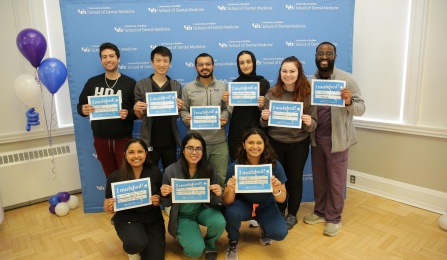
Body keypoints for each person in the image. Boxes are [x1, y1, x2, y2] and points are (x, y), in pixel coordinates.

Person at [303, 41, 365, 237]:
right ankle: (320, 211)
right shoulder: (310, 82)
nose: (324, 57)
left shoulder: (347, 80)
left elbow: (361, 109)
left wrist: (348, 102)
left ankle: (334, 218)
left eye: (328, 54)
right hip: (317, 140)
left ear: (335, 57)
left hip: (338, 141)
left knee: (336, 182)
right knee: (320, 180)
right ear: (315, 56)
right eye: (320, 53)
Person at [260, 56, 317, 230]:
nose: (288, 74)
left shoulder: (307, 93)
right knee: (277, 180)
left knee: (294, 180)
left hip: (298, 144)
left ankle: (292, 214)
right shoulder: (272, 93)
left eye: (292, 71)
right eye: (284, 71)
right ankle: (279, 210)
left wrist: (309, 122)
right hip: (275, 143)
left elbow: (314, 123)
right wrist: (263, 117)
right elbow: (263, 124)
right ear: (280, 73)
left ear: (298, 73)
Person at [223, 128, 288, 260]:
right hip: (243, 206)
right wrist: (230, 189)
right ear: (243, 145)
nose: (255, 146)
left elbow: (282, 199)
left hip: (266, 206)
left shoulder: (274, 165)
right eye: (250, 142)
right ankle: (233, 242)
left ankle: (265, 227)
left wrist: (276, 189)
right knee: (232, 212)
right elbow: (227, 202)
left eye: (259, 143)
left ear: (264, 145)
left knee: (280, 233)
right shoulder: (235, 167)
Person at [160, 132, 226, 260]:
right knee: (195, 251)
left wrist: (218, 194)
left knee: (219, 222)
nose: (194, 152)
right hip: (183, 216)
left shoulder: (209, 169)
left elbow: (213, 201)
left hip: (203, 210)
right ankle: (188, 235)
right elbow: (166, 203)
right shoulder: (171, 171)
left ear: (203, 151)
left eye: (198, 149)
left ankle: (209, 244)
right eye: (190, 148)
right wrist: (164, 195)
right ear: (183, 150)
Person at [77, 42, 136, 176]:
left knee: (127, 176)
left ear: (118, 58)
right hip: (101, 140)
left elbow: (138, 112)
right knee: (110, 177)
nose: (108, 60)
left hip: (123, 140)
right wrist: (83, 110)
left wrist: (128, 113)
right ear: (101, 60)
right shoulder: (92, 83)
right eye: (104, 57)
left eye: (111, 56)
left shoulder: (130, 83)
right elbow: (80, 106)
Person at [104, 138, 165, 260]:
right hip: (127, 218)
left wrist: (159, 199)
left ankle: (144, 240)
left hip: (152, 218)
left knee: (155, 257)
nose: (136, 156)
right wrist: (108, 208)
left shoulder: (154, 172)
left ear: (146, 154)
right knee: (136, 244)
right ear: (125, 155)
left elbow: (162, 195)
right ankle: (132, 249)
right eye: (131, 152)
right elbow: (108, 206)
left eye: (140, 152)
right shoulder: (115, 177)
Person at [180, 53, 230, 188]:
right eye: (200, 65)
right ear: (196, 67)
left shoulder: (222, 86)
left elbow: (227, 108)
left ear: (213, 66)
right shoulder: (188, 88)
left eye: (208, 64)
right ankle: (197, 207)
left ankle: (218, 206)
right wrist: (186, 118)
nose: (204, 67)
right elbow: (183, 110)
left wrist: (224, 117)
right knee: (195, 178)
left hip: (218, 142)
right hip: (195, 143)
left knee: (220, 177)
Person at [133, 46, 183, 172]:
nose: (162, 64)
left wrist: (179, 108)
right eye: (158, 60)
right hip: (149, 141)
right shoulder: (141, 84)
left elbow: (177, 114)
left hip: (170, 140)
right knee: (149, 174)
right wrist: (137, 108)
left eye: (165, 61)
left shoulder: (176, 85)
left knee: (170, 175)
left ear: (169, 63)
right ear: (152, 62)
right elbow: (139, 115)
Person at [222, 50, 270, 161]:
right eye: (242, 63)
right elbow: (231, 111)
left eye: (248, 61)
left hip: (257, 133)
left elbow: (266, 111)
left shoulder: (263, 83)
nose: (245, 65)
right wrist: (227, 102)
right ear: (238, 65)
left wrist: (262, 105)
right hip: (236, 134)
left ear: (254, 63)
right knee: (238, 169)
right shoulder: (233, 84)